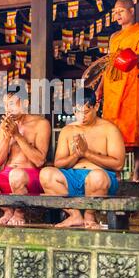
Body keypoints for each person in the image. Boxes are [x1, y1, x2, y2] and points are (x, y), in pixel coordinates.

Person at [40, 88, 125, 229]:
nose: (81, 117)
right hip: (73, 178)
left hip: (100, 180)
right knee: (46, 174)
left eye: (86, 112)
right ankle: (75, 215)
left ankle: (90, 216)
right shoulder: (68, 130)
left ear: (96, 107)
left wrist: (87, 153)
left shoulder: (109, 129)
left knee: (97, 177)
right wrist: (76, 155)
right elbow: (59, 163)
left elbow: (118, 164)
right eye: (77, 112)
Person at [96, 0, 139, 183]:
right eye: (115, 12)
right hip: (114, 85)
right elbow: (109, 64)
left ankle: (137, 173)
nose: (117, 15)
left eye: (121, 11)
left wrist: (133, 56)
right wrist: (100, 88)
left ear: (132, 11)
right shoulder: (114, 37)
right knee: (113, 128)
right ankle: (115, 174)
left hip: (134, 84)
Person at [0, 92, 51, 226]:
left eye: (12, 104)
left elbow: (39, 161)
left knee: (16, 174)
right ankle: (8, 211)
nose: (8, 109)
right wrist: (8, 136)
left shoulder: (41, 124)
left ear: (25, 104)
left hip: (29, 178)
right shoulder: (5, 127)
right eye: (6, 105)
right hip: (7, 177)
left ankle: (19, 213)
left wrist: (18, 136)